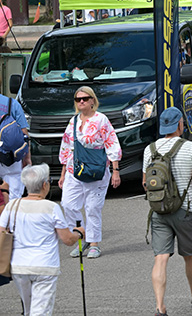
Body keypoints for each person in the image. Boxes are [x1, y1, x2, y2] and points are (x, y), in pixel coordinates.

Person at [144, 107, 192, 316]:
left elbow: (145, 183)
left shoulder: (150, 150)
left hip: (159, 211)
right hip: (185, 210)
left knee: (160, 258)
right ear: (179, 125)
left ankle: (160, 307)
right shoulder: (190, 148)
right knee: (189, 256)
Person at [0, 164, 86, 316]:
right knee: (40, 312)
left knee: (29, 310)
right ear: (45, 185)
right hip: (44, 266)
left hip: (19, 266)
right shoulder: (50, 208)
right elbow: (67, 239)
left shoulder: (12, 205)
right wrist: (78, 233)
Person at [58, 85, 121, 259]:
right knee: (68, 204)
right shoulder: (74, 121)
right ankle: (83, 234)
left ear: (93, 100)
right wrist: (63, 173)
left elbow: (112, 143)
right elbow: (66, 147)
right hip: (74, 170)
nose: (82, 102)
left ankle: (94, 243)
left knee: (92, 207)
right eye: (78, 99)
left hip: (96, 170)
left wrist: (115, 170)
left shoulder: (101, 120)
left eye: (85, 98)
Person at [0, 87, 29, 199]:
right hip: (10, 156)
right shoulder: (12, 103)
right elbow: (24, 133)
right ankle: (10, 215)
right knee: (13, 196)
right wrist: (26, 157)